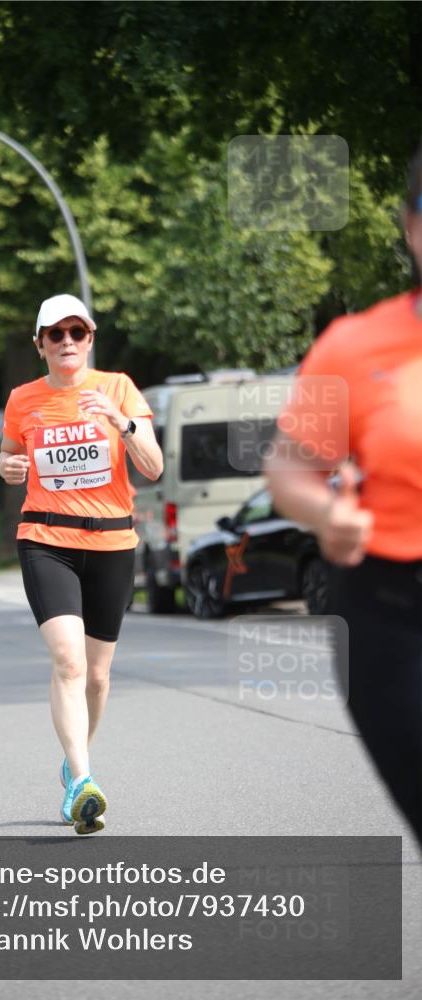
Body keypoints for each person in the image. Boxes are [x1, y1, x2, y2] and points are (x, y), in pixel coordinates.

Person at [264, 144, 422, 846]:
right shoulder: (353, 346)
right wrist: (327, 511)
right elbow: (288, 468)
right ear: (409, 226)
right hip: (391, 614)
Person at [0, 293, 163, 834]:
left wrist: (121, 422)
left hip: (113, 544)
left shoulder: (119, 388)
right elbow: (6, 455)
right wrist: (7, 465)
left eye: (78, 333)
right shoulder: (23, 399)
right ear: (40, 343)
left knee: (97, 677)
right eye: (56, 334)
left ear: (90, 340)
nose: (67, 342)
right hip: (46, 538)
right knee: (68, 662)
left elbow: (154, 467)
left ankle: (74, 765)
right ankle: (83, 786)